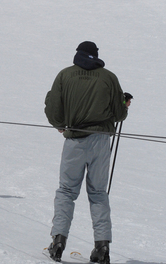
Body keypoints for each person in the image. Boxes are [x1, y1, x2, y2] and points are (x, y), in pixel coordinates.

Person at [45, 41, 131, 263]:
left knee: (66, 191)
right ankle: (102, 247)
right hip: (101, 141)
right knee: (98, 193)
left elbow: (53, 107)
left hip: (75, 139)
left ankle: (58, 241)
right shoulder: (108, 77)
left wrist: (60, 123)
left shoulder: (64, 75)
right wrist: (124, 103)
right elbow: (119, 113)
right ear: (96, 55)